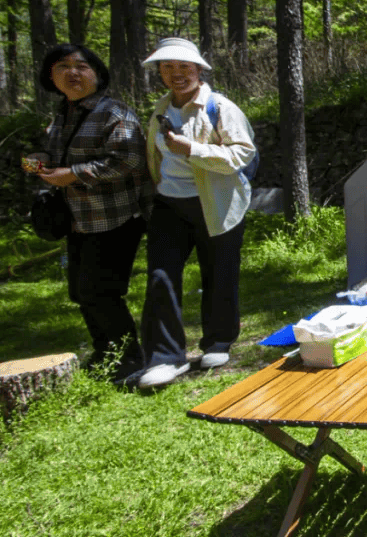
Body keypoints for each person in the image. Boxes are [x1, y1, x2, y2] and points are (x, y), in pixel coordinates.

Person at [138, 38, 256, 388]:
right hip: (169, 204)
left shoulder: (219, 107)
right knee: (160, 276)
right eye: (167, 68)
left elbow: (242, 154)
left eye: (184, 67)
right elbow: (155, 154)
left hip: (216, 203)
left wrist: (193, 149)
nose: (176, 74)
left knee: (218, 272)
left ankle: (218, 341)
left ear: (199, 69)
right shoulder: (160, 108)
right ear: (159, 72)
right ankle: (165, 358)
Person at [36, 43, 154, 382]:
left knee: (101, 291)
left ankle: (128, 359)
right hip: (78, 218)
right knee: (80, 291)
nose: (73, 73)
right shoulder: (62, 115)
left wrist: (73, 174)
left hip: (115, 217)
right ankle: (104, 353)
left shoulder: (114, 112)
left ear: (97, 75)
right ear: (51, 76)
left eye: (81, 66)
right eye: (63, 66)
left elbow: (129, 160)